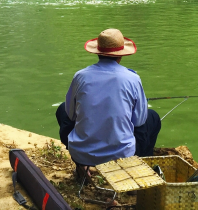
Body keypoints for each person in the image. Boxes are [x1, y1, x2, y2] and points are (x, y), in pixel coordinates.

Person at [56, 28, 161, 176]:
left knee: (62, 109)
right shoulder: (133, 79)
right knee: (153, 118)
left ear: (97, 52)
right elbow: (139, 120)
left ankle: (81, 167)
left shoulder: (80, 76)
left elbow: (71, 114)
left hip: (81, 154)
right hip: (122, 156)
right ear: (121, 55)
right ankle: (137, 172)